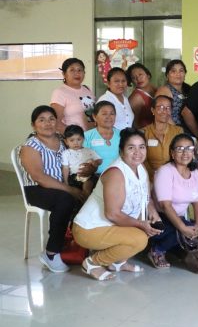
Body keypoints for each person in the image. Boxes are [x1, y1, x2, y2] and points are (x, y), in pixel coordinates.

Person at [72, 128, 162, 280]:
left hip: (112, 225)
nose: (137, 152)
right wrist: (141, 224)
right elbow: (112, 214)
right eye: (131, 148)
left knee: (143, 232)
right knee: (140, 238)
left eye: (141, 147)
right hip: (89, 229)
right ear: (121, 151)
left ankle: (117, 263)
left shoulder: (140, 168)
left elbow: (146, 198)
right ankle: (93, 263)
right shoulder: (116, 173)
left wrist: (153, 212)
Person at [19, 106, 83, 273]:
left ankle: (81, 245)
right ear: (33, 125)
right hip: (37, 189)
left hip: (62, 186)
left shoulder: (63, 139)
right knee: (65, 199)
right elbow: (39, 177)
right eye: (42, 120)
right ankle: (51, 253)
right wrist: (69, 189)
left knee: (90, 193)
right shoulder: (30, 146)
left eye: (51, 119)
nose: (47, 123)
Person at [149, 134, 198, 268]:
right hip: (158, 218)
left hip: (177, 217)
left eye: (189, 148)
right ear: (172, 153)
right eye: (180, 149)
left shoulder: (194, 172)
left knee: (190, 230)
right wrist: (183, 228)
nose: (185, 153)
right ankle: (157, 250)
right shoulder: (165, 171)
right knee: (181, 231)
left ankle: (171, 245)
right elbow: (165, 205)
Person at [142, 95, 184, 182]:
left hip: (174, 176)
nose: (165, 111)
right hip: (150, 177)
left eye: (168, 108)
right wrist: (153, 176)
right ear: (153, 110)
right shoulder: (144, 132)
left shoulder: (178, 131)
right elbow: (142, 159)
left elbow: (181, 156)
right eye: (160, 107)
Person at [50, 57, 95, 133]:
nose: (77, 73)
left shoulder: (87, 89)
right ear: (64, 74)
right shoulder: (59, 92)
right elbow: (55, 122)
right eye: (72, 70)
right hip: (72, 138)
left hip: (90, 137)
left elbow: (91, 117)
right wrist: (74, 136)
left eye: (80, 70)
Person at [61, 124, 102, 198]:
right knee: (73, 193)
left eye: (79, 139)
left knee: (88, 185)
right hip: (74, 176)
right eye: (72, 140)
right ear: (66, 141)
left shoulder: (89, 151)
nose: (75, 143)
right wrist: (66, 182)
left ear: (83, 139)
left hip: (88, 175)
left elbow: (99, 160)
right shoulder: (66, 153)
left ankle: (86, 196)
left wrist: (95, 163)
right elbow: (65, 168)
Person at [85, 101, 121, 174]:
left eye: (112, 113)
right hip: (94, 177)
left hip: (118, 175)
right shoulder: (86, 136)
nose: (109, 117)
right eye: (104, 114)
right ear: (94, 117)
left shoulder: (122, 135)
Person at [154, 60, 190, 127]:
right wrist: (178, 131)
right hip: (172, 129)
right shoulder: (164, 90)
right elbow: (163, 116)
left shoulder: (188, 89)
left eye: (181, 71)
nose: (178, 74)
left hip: (187, 129)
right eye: (173, 71)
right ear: (167, 75)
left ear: (185, 74)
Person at [126, 63, 156, 129]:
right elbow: (134, 124)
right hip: (145, 132)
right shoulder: (136, 98)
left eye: (140, 74)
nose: (138, 79)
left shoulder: (157, 89)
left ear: (148, 75)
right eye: (134, 78)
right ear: (132, 81)